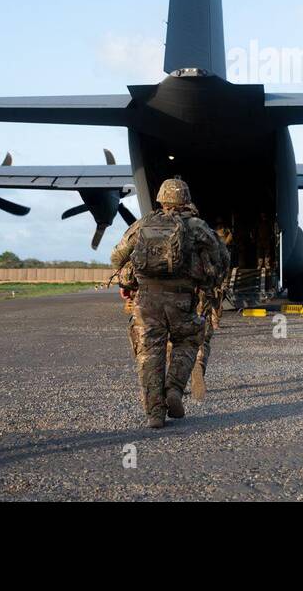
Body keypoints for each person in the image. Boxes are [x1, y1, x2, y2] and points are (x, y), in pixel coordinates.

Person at [111, 179, 226, 428]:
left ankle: (154, 413)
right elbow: (221, 258)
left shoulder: (144, 224)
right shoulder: (196, 226)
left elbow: (117, 255)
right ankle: (174, 388)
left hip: (146, 301)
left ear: (161, 198)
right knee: (189, 339)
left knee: (149, 354)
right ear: (186, 199)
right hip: (182, 299)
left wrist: (127, 281)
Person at [189, 225, 232, 400]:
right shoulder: (208, 235)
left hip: (176, 292)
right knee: (203, 333)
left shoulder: (170, 230)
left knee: (174, 337)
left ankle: (174, 383)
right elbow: (224, 262)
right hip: (203, 291)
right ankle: (199, 362)